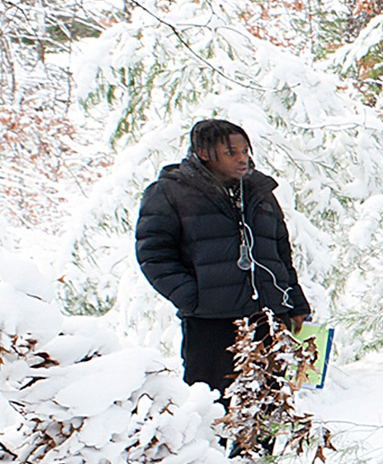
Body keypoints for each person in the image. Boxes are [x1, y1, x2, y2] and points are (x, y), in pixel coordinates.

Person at [133, 119, 310, 398]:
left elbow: (280, 251)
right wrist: (194, 298)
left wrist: (294, 302)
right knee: (211, 406)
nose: (242, 159)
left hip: (267, 317)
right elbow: (154, 254)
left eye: (244, 151)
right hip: (210, 323)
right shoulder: (170, 192)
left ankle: (259, 445)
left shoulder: (259, 192)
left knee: (266, 407)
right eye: (231, 152)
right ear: (204, 153)